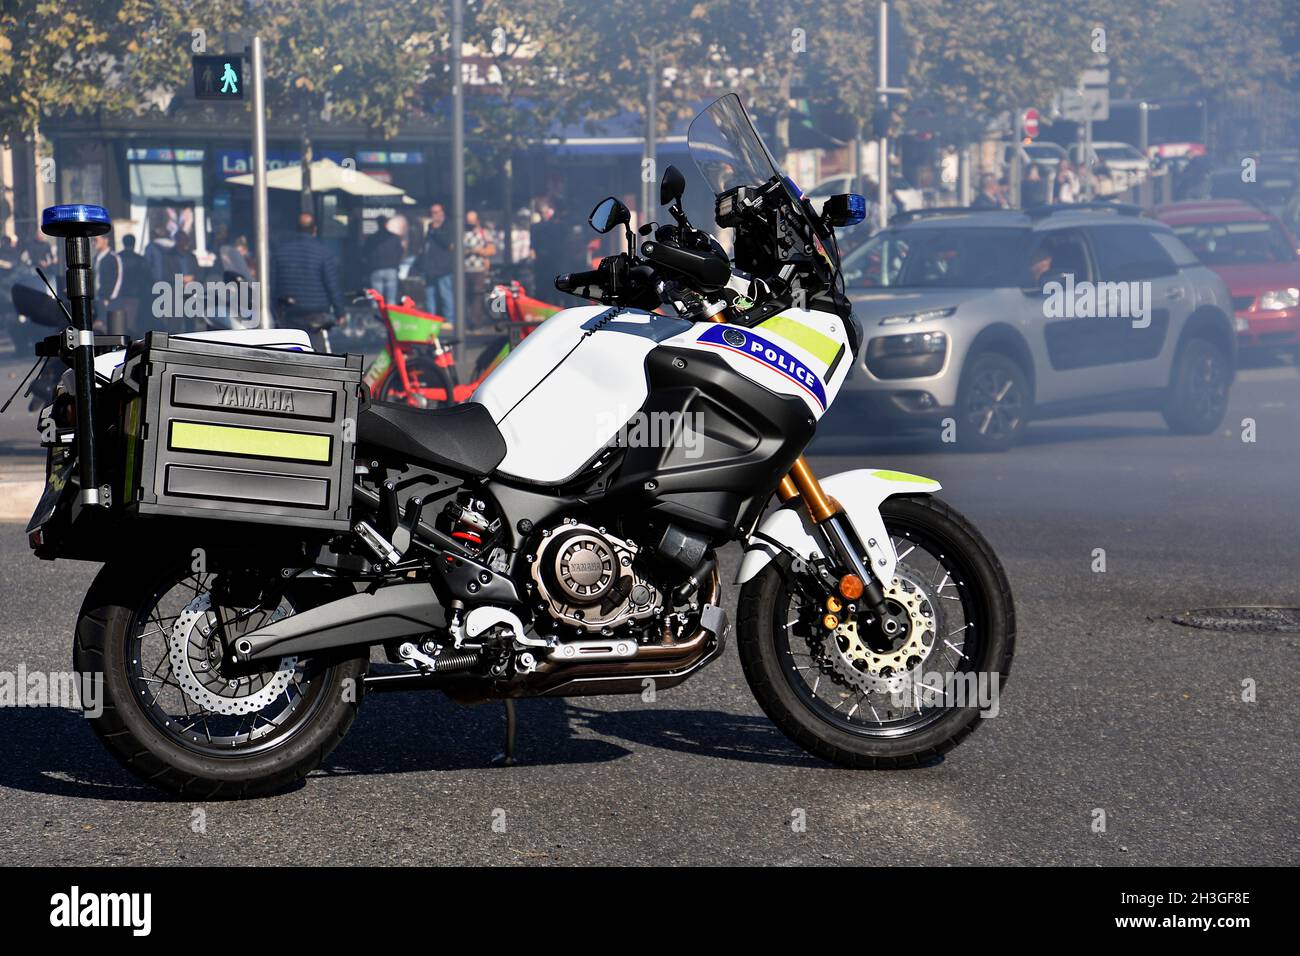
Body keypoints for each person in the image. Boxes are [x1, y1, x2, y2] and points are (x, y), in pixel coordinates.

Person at [269, 212, 346, 351]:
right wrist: (340, 312)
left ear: (297, 229)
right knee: (318, 351)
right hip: (316, 314)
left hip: (289, 313)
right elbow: (332, 284)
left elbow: (272, 285)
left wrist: (274, 311)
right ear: (315, 230)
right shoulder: (324, 253)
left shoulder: (280, 252)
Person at [463, 209, 496, 332]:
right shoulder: (462, 233)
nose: (469, 224)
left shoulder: (484, 233)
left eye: (472, 221)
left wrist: (479, 251)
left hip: (479, 269)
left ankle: (476, 321)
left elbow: (492, 249)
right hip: (465, 270)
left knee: (477, 295)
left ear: (477, 221)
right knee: (465, 296)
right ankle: (467, 320)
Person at [421, 202, 455, 319]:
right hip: (430, 269)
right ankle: (431, 320)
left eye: (436, 212)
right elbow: (426, 247)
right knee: (429, 297)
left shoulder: (448, 226)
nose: (434, 215)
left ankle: (450, 320)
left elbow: (449, 244)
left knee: (446, 296)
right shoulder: (430, 228)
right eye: (432, 213)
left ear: (442, 213)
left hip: (443, 268)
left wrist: (436, 231)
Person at [363, 216, 403, 304]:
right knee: (391, 300)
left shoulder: (372, 238)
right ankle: (390, 317)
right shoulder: (394, 238)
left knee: (377, 300)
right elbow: (400, 252)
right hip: (391, 269)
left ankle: (376, 317)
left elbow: (365, 253)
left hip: (376, 269)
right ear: (386, 223)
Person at [117, 234, 151, 336]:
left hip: (120, 294)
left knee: (121, 321)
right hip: (136, 295)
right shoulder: (140, 259)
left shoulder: (117, 257)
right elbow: (147, 277)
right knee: (132, 322)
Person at [92, 233, 125, 334]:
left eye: (96, 240)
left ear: (105, 240)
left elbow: (118, 279)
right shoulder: (95, 258)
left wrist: (109, 298)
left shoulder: (113, 257)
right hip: (97, 300)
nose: (93, 243)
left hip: (109, 302)